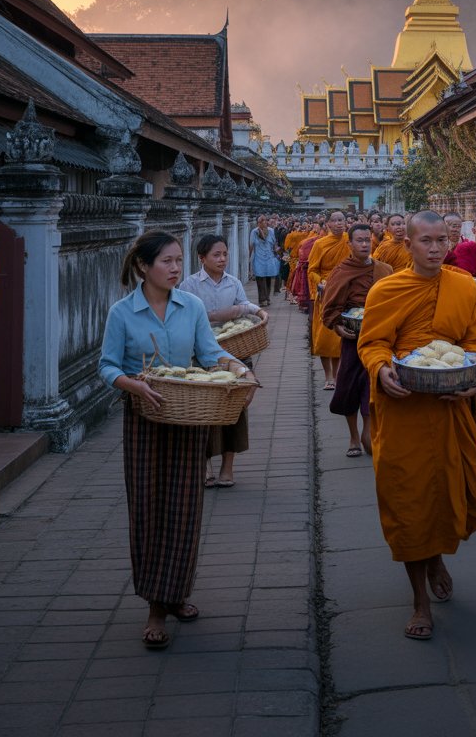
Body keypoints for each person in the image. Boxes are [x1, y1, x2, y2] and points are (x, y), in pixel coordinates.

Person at [98, 231, 258, 649]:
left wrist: (238, 369)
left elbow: (209, 354)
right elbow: (107, 366)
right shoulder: (122, 312)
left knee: (185, 510)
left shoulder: (192, 308)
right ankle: (155, 605)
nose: (174, 269)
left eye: (177, 261)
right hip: (145, 420)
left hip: (189, 418)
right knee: (149, 509)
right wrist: (134, 387)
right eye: (166, 261)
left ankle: (176, 593)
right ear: (142, 267)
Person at [358, 211, 476, 641]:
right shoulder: (387, 288)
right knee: (408, 498)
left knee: (454, 490)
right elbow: (373, 342)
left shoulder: (462, 286)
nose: (435, 248)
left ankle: (435, 557)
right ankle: (419, 600)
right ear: (408, 244)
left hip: (450, 404)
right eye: (426, 241)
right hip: (404, 409)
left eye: (441, 241)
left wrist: (472, 381)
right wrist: (380, 370)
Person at [178, 233, 268, 488]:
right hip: (201, 357)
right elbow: (186, 318)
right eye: (216, 255)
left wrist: (258, 312)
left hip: (234, 352)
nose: (222, 259)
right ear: (201, 258)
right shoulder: (190, 286)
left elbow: (245, 305)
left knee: (235, 411)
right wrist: (219, 315)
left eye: (225, 254)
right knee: (203, 412)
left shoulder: (233, 282)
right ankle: (205, 466)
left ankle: (228, 468)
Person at [321, 222, 393, 456]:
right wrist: (339, 328)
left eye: (367, 240)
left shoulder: (385, 269)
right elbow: (330, 308)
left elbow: (392, 301)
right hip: (353, 339)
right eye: (359, 240)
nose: (364, 244)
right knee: (349, 387)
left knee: (373, 386)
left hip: (379, 338)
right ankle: (353, 436)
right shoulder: (342, 271)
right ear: (349, 243)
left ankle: (369, 432)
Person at [308, 210, 348, 389]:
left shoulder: (350, 241)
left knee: (340, 337)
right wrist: (321, 282)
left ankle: (339, 375)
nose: (339, 223)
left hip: (345, 291)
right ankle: (328, 377)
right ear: (328, 224)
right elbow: (312, 270)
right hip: (325, 292)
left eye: (342, 220)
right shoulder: (320, 244)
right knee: (325, 337)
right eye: (335, 220)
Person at [249, 214, 281, 306]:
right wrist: (249, 258)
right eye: (261, 221)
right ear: (258, 223)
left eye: (264, 220)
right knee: (260, 279)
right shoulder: (254, 232)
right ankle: (262, 299)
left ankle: (267, 297)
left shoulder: (271, 231)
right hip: (259, 259)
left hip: (269, 258)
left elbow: (274, 244)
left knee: (268, 278)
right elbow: (251, 246)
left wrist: (277, 253)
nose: (263, 222)